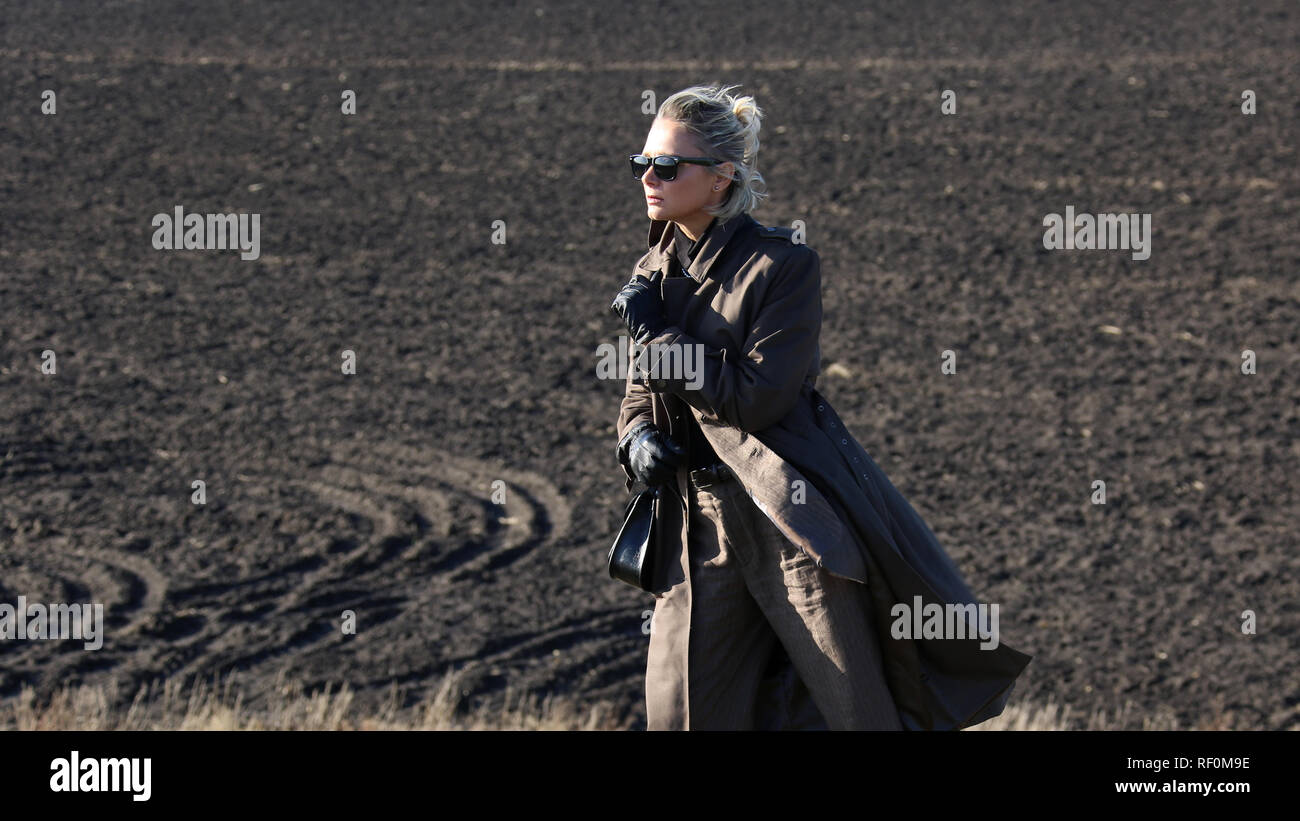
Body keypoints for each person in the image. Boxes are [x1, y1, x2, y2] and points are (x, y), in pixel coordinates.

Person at [610, 84, 904, 730]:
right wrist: (635, 439)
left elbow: (756, 396)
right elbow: (637, 392)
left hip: (786, 516)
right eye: (642, 163)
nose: (649, 178)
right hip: (697, 524)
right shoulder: (652, 269)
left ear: (722, 179)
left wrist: (655, 332)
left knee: (852, 709)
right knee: (683, 712)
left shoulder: (783, 266)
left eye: (667, 165)